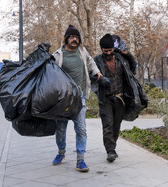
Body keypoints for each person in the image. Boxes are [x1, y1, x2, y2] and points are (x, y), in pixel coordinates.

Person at [52, 25, 102, 172]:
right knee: (60, 129)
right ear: (66, 39)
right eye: (72, 37)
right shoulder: (58, 54)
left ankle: (80, 160)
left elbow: (91, 61)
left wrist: (97, 72)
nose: (75, 39)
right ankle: (61, 153)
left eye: (77, 37)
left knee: (81, 129)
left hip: (79, 98)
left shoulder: (82, 51)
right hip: (63, 98)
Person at [92, 34, 142, 162]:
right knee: (107, 124)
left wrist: (129, 55)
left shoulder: (121, 58)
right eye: (105, 51)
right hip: (106, 99)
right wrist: (99, 80)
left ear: (113, 49)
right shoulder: (97, 61)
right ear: (101, 50)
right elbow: (90, 76)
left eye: (110, 50)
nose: (108, 52)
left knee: (116, 125)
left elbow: (133, 69)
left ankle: (112, 146)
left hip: (120, 98)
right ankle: (110, 150)